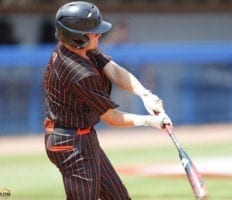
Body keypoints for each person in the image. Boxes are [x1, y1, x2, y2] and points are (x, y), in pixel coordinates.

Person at [43, 1, 171, 200]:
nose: (99, 34)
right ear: (78, 37)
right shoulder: (79, 73)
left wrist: (144, 94)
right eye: (93, 31)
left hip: (83, 137)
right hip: (70, 143)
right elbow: (112, 118)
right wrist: (149, 121)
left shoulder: (76, 48)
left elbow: (112, 68)